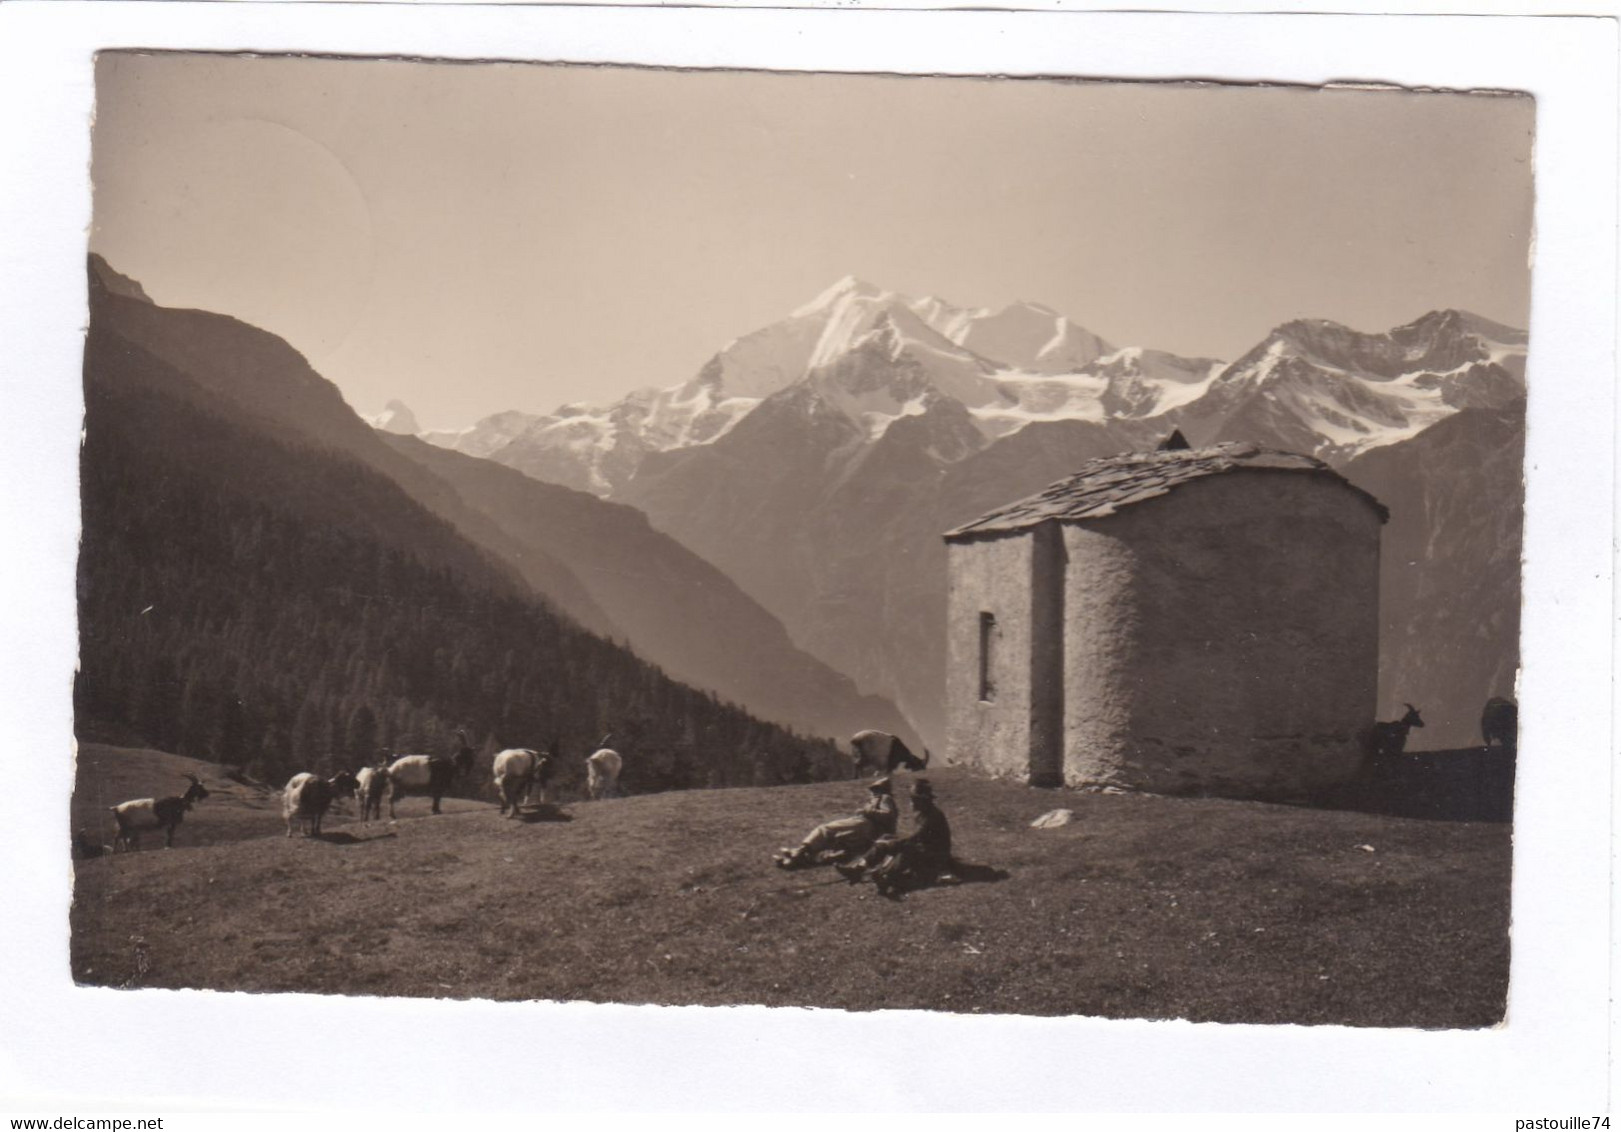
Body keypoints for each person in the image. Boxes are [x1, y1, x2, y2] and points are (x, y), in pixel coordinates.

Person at [837, 777, 953, 897]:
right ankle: (859, 869)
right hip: (924, 848)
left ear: (924, 800)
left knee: (907, 849)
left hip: (935, 856)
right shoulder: (922, 812)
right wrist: (891, 841)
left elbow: (916, 838)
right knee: (887, 838)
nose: (911, 803)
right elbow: (916, 838)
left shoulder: (931, 816)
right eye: (912, 799)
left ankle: (886, 877)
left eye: (914, 799)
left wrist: (895, 843)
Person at [774, 777, 898, 870]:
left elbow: (888, 815)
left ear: (881, 789)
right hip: (872, 833)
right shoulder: (881, 799)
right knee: (839, 849)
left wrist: (866, 811)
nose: (873, 792)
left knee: (826, 830)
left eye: (875, 789)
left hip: (867, 826)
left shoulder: (885, 798)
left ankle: (798, 853)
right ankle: (795, 862)